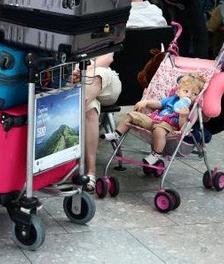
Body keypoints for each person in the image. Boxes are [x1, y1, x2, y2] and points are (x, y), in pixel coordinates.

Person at [102, 74, 205, 166]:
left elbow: (182, 128)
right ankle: (116, 134)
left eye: (195, 94)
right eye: (186, 91)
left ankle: (156, 154)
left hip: (168, 126)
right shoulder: (173, 99)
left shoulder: (191, 109)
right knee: (132, 115)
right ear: (178, 92)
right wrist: (146, 102)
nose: (189, 95)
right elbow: (159, 104)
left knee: (159, 130)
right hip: (154, 120)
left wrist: (183, 116)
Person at [72, 53, 121, 192]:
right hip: (75, 79)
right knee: (90, 110)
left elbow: (108, 58)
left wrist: (82, 72)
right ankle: (90, 172)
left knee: (98, 74)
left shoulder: (103, 30)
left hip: (105, 80)